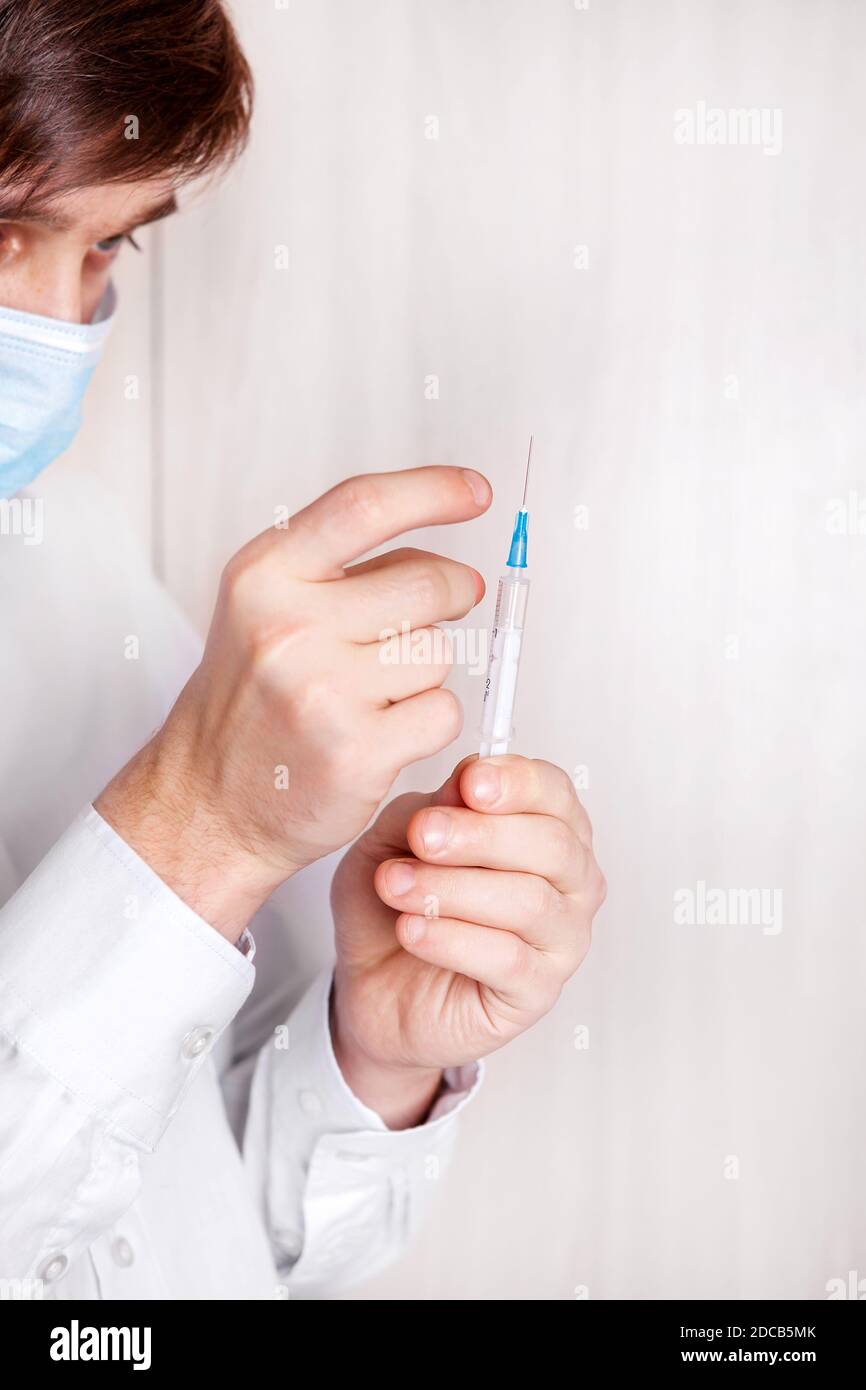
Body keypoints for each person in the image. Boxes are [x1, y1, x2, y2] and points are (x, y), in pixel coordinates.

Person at [0, 0, 606, 1299]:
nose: (58, 327)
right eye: (5, 234)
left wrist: (367, 1058)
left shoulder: (65, 553)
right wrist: (192, 834)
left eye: (106, 249)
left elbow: (188, 1244)